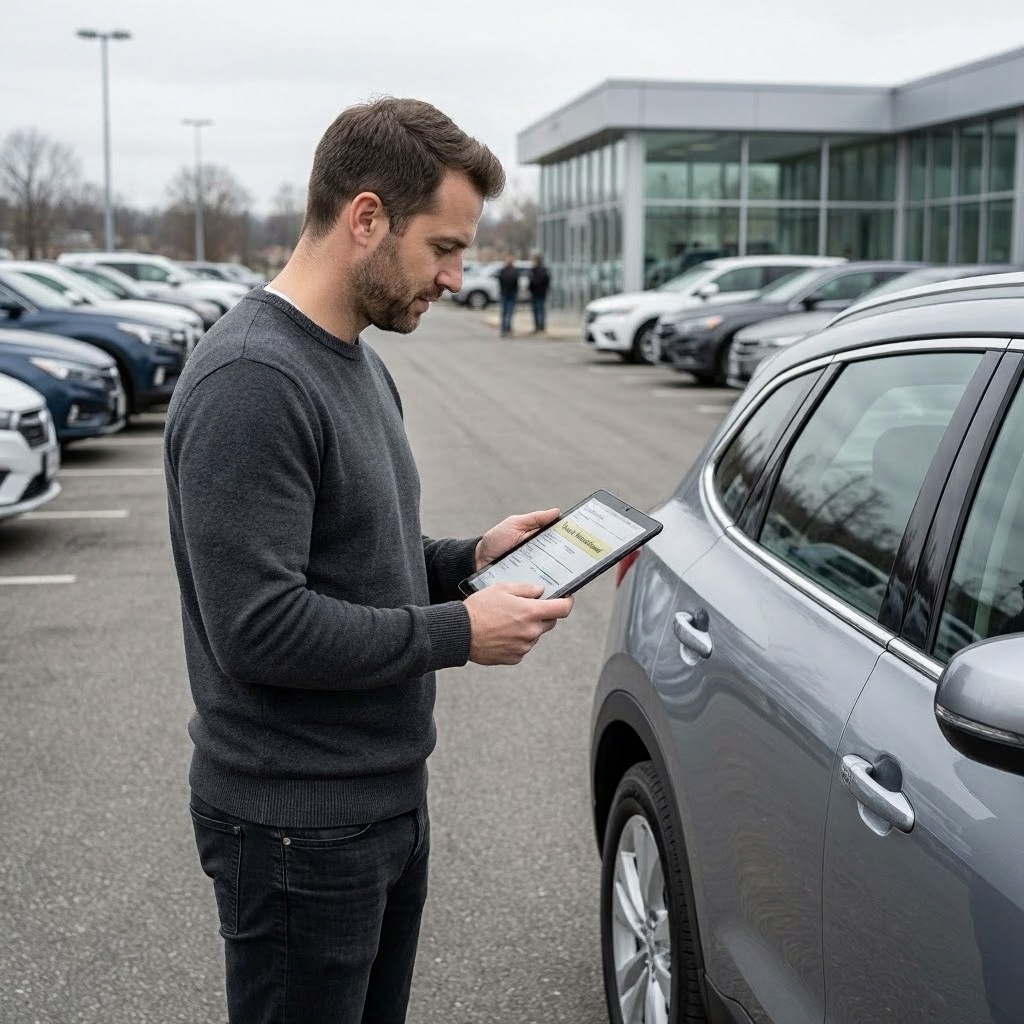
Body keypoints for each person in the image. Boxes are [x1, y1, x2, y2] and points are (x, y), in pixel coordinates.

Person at [163, 97, 574, 1024]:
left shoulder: (351, 359)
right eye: (443, 248)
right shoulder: (254, 382)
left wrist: (471, 557)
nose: (459, 277)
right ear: (366, 218)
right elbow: (259, 629)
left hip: (377, 803)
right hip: (298, 828)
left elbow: (356, 563)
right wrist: (459, 633)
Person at [497, 254, 519, 336]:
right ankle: (505, 329)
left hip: (510, 294)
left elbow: (515, 283)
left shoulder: (510, 271)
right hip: (506, 294)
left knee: (507, 313)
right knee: (506, 313)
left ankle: (506, 329)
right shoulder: (505, 270)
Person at [528, 252, 550, 334]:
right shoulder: (533, 270)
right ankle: (537, 326)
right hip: (535, 293)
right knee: (536, 311)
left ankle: (541, 326)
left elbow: (545, 282)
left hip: (540, 293)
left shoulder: (542, 271)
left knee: (540, 310)